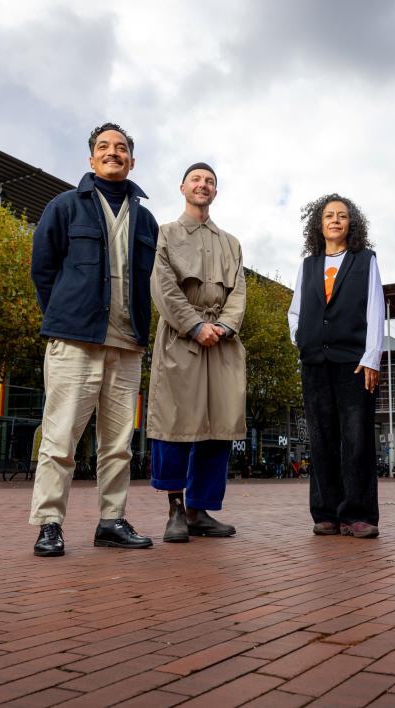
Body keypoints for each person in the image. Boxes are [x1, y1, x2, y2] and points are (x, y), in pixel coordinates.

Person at [29, 122, 158, 556]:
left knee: (118, 443)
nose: (113, 153)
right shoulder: (65, 206)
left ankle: (111, 521)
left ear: (132, 160)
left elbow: (149, 281)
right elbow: (43, 270)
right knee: (60, 437)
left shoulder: (146, 219)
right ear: (90, 159)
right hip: (74, 341)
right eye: (104, 147)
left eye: (121, 148)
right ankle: (49, 523)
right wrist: (66, 316)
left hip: (127, 344)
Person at [147, 162, 246, 543]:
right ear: (182, 188)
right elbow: (163, 286)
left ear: (215, 192)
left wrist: (223, 326)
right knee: (175, 424)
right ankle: (175, 508)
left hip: (221, 343)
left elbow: (239, 292)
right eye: (196, 180)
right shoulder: (166, 234)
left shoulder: (231, 243)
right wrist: (193, 325)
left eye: (209, 181)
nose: (202, 185)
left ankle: (199, 511)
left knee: (218, 428)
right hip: (180, 339)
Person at [288, 194, 384, 538]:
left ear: (351, 224)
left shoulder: (365, 260)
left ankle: (358, 514)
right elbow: (295, 311)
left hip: (354, 363)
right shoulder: (308, 265)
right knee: (321, 439)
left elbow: (376, 310)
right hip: (315, 362)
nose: (335, 220)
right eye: (329, 215)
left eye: (342, 216)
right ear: (319, 223)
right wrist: (302, 339)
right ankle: (326, 513)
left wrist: (372, 356)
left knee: (356, 439)